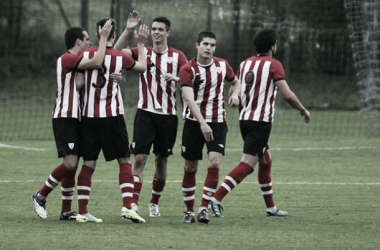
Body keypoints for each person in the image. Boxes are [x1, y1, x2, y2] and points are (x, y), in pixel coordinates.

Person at [209, 28, 311, 218]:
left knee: (265, 160)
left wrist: (234, 98)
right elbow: (287, 94)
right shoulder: (274, 65)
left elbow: (233, 91)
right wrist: (302, 109)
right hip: (260, 122)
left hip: (244, 120)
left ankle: (271, 208)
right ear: (273, 46)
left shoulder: (245, 63)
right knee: (248, 164)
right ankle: (215, 199)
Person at [32, 20, 113, 220]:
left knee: (74, 164)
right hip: (64, 117)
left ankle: (66, 210)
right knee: (69, 163)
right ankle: (40, 195)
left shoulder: (73, 63)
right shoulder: (67, 58)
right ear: (78, 41)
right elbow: (96, 62)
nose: (88, 43)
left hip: (75, 117)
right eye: (86, 39)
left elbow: (79, 83)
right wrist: (103, 38)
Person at [74, 18, 149, 223]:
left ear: (97, 35)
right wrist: (141, 43)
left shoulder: (85, 54)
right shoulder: (119, 57)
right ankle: (127, 206)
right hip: (112, 117)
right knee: (123, 160)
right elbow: (142, 67)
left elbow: (82, 79)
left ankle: (82, 211)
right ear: (113, 36)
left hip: (88, 118)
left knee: (89, 163)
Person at [114, 12, 188, 217]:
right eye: (153, 29)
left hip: (168, 116)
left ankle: (154, 202)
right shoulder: (142, 52)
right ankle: (134, 204)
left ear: (167, 33)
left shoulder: (178, 56)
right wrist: (129, 30)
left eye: (160, 30)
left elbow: (192, 78)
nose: (156, 32)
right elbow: (115, 52)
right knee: (139, 158)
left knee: (161, 160)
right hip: (145, 114)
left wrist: (178, 78)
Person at [179, 31, 241, 224]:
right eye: (205, 44)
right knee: (190, 167)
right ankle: (189, 211)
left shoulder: (222, 65)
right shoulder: (187, 69)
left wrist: (235, 95)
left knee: (214, 162)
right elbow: (189, 99)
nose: (209, 48)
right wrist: (202, 123)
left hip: (218, 121)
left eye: (212, 45)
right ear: (197, 45)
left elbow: (236, 81)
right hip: (194, 122)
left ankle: (203, 209)